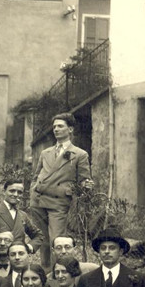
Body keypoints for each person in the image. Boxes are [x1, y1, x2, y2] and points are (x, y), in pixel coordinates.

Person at [29, 113, 93, 267]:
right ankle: (46, 271)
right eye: (54, 127)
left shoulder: (80, 154)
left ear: (70, 129)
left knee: (57, 241)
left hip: (59, 203)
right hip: (38, 200)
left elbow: (84, 179)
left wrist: (86, 186)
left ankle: (58, 272)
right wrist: (33, 189)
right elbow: (36, 175)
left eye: (60, 126)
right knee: (42, 240)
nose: (56, 129)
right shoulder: (45, 152)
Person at [0, 178, 44, 258]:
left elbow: (39, 235)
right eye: (12, 191)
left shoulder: (23, 215)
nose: (16, 194)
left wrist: (29, 247)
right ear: (4, 192)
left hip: (17, 259)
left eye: (19, 192)